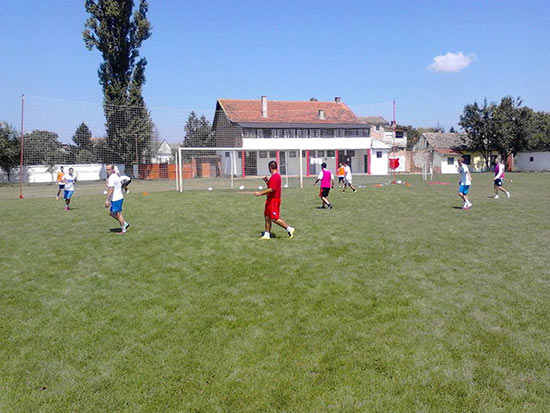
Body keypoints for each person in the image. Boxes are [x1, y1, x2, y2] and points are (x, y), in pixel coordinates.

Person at [254, 160, 295, 240]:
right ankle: (267, 234)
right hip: (270, 200)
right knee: (267, 216)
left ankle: (289, 229)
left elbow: (272, 189)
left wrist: (260, 193)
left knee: (274, 218)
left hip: (274, 201)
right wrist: (266, 181)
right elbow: (270, 186)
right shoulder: (273, 177)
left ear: (270, 167)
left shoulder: (276, 176)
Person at [105, 163, 130, 234]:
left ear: (112, 170)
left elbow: (111, 189)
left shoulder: (112, 177)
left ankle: (124, 229)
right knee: (112, 213)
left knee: (118, 215)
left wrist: (107, 200)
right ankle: (125, 224)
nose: (107, 171)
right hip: (117, 198)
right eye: (106, 169)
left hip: (117, 198)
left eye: (109, 169)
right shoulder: (114, 176)